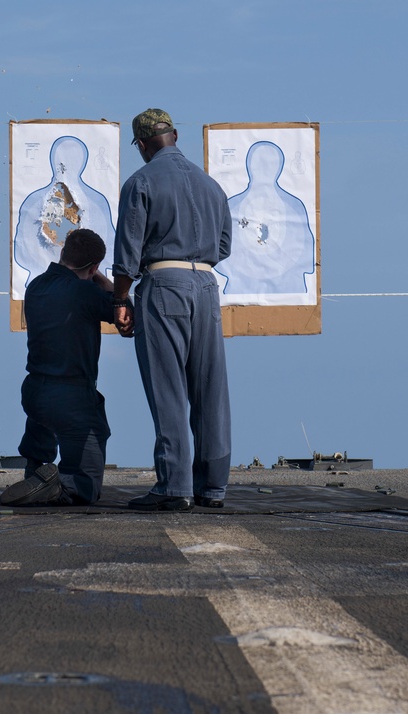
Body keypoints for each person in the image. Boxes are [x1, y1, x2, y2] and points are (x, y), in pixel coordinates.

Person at [111, 108, 233, 511]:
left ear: (142, 145)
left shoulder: (141, 181)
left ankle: (174, 487)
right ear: (176, 135)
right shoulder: (212, 185)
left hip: (164, 286)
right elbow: (224, 248)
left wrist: (121, 299)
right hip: (206, 286)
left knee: (168, 390)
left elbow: (128, 253)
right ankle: (212, 488)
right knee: (210, 390)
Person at [1, 228, 115, 506]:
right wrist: (102, 281)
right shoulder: (86, 292)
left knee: (42, 425)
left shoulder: (36, 286)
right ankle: (57, 488)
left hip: (35, 393)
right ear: (94, 267)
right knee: (85, 485)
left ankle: (36, 473)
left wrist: (90, 275)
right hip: (72, 398)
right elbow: (124, 310)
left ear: (62, 252)